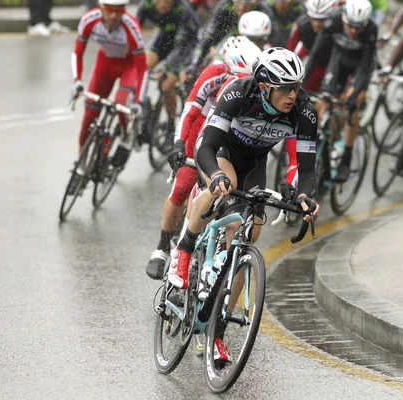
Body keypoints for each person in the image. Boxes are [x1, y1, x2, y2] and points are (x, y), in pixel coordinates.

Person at [168, 48, 319, 362]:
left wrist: (303, 196)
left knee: (248, 236)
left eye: (297, 87)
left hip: (255, 163)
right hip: (220, 151)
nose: (293, 94)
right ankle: (184, 249)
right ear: (264, 86)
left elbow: (305, 168)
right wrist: (217, 174)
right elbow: (205, 145)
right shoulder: (238, 93)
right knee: (223, 190)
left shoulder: (304, 111)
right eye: (286, 89)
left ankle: (218, 333)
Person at [145, 37, 262, 279]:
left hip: (230, 138)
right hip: (202, 131)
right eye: (240, 77)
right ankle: (163, 246)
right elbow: (189, 111)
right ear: (229, 68)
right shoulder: (213, 74)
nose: (245, 84)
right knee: (182, 187)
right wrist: (179, 144)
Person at [68, 0, 148, 193]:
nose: (113, 16)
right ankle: (81, 167)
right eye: (109, 10)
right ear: (101, 8)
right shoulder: (89, 20)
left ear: (124, 11)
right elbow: (77, 53)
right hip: (105, 65)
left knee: (121, 102)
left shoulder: (131, 27)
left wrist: (137, 102)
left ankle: (125, 136)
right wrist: (77, 81)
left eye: (118, 11)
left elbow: (142, 68)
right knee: (88, 118)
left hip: (128, 66)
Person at [305, 0, 377, 183]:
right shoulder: (333, 21)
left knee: (354, 103)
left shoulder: (371, 30)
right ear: (343, 19)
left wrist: (354, 95)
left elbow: (364, 69)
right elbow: (314, 55)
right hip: (339, 62)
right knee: (322, 105)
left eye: (358, 27)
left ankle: (346, 158)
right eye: (350, 26)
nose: (353, 31)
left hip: (360, 66)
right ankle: (323, 152)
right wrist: (299, 84)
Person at [137, 0, 200, 123]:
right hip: (165, 36)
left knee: (166, 84)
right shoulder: (146, 4)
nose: (162, 4)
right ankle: (143, 102)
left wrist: (165, 68)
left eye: (166, 1)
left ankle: (171, 125)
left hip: (185, 45)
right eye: (158, 1)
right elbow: (134, 30)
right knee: (142, 64)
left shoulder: (183, 10)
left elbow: (179, 48)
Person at [181, 0, 275, 81]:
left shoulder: (265, 11)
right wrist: (194, 64)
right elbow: (208, 35)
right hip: (224, 43)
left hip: (257, 49)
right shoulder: (224, 6)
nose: (242, 8)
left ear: (255, 2)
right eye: (238, 2)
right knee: (209, 58)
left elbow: (276, 40)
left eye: (246, 4)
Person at [287, 0, 342, 92]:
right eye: (313, 18)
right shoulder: (301, 24)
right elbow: (289, 51)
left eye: (322, 20)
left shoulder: (339, 26)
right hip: (313, 59)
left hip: (334, 61)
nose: (317, 24)